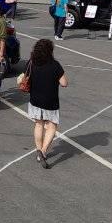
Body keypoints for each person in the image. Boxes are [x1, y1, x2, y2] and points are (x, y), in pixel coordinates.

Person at [26, 38, 67, 169]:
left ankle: (38, 149)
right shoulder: (55, 65)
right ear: (50, 51)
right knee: (52, 126)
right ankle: (43, 151)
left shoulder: (31, 63)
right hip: (50, 101)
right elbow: (64, 83)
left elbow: (26, 77)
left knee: (39, 124)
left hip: (35, 99)